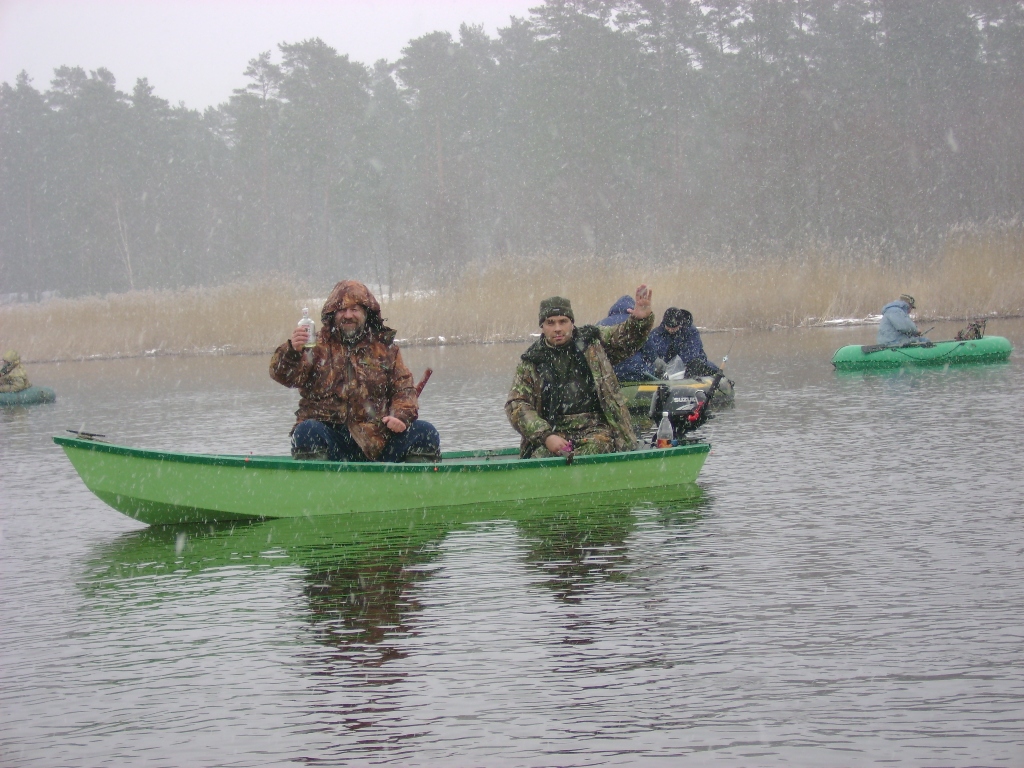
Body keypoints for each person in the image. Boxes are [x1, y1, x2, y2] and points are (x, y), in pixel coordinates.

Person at [270, 280, 440, 462]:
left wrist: (400, 417)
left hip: (378, 441)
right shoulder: (314, 346)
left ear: (366, 313)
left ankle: (413, 488)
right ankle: (319, 484)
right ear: (333, 314)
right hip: (331, 440)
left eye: (355, 310)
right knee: (306, 431)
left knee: (425, 432)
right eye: (342, 310)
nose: (348, 315)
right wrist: (292, 351)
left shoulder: (386, 349)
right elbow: (284, 376)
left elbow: (404, 390)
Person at [506, 285, 654, 458]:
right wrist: (546, 436)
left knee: (596, 448)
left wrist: (640, 320)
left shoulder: (593, 340)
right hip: (554, 430)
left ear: (572, 322)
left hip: (597, 428)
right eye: (550, 323)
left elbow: (625, 338)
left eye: (563, 321)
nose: (557, 329)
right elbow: (516, 405)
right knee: (539, 457)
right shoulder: (532, 361)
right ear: (542, 326)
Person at [596, 295, 658, 381]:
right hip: (636, 374)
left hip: (610, 377)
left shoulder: (600, 324)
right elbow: (651, 354)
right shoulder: (638, 324)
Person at [648, 308, 721, 378]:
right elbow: (650, 352)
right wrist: (657, 362)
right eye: (668, 328)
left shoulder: (691, 332)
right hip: (665, 370)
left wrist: (684, 367)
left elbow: (692, 353)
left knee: (704, 367)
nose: (670, 330)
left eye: (673, 328)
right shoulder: (656, 334)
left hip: (692, 366)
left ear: (680, 324)